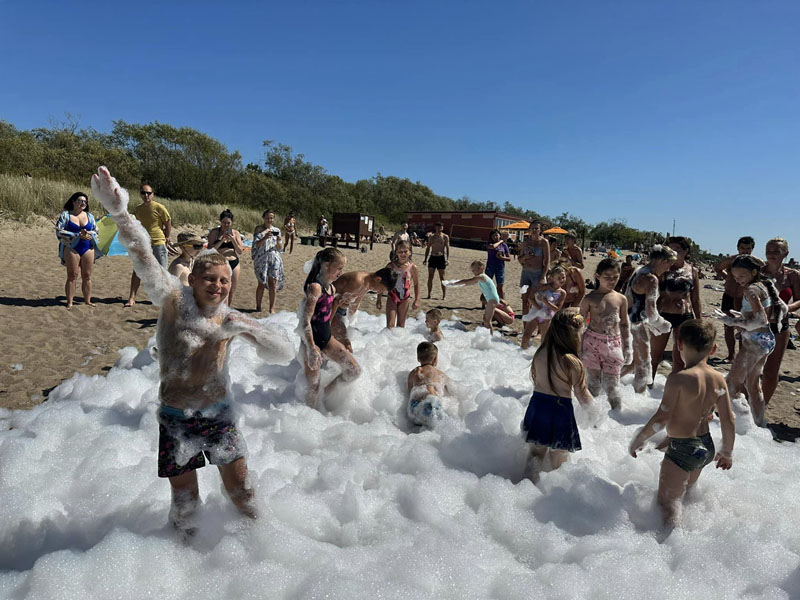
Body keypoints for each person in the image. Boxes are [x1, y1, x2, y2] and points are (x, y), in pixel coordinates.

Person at [90, 166, 294, 536]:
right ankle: (186, 565)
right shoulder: (172, 301)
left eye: (225, 281)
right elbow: (143, 255)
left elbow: (281, 352)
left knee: (243, 492)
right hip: (175, 417)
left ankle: (262, 546)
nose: (218, 286)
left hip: (219, 415)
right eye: (211, 279)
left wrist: (247, 328)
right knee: (185, 502)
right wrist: (119, 211)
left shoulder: (229, 317)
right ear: (195, 279)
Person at [630, 319, 735, 535]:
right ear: (713, 349)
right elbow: (728, 419)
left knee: (667, 503)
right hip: (706, 448)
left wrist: (640, 439)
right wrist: (727, 452)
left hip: (682, 450)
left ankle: (672, 544)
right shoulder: (718, 379)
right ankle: (686, 539)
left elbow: (663, 416)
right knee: (684, 494)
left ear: (679, 346)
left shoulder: (678, 379)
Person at [521, 309, 594, 482]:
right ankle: (555, 492)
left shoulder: (541, 353)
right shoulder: (572, 362)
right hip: (559, 411)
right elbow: (582, 394)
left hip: (538, 407)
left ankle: (525, 485)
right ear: (573, 336)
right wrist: (594, 413)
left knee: (535, 453)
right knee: (559, 457)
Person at [714, 254, 786, 426]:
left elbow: (761, 320)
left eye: (741, 276)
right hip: (766, 339)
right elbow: (767, 313)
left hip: (755, 341)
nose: (738, 280)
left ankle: (722, 422)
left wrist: (731, 321)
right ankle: (759, 423)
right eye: (735, 276)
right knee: (753, 385)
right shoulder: (764, 284)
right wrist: (741, 316)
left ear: (754, 272)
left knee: (731, 383)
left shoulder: (751, 290)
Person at [300, 247, 362, 409]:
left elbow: (328, 316)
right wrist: (312, 347)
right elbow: (305, 321)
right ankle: (308, 415)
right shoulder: (315, 287)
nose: (341, 272)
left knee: (353, 370)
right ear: (327, 265)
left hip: (327, 339)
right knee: (312, 388)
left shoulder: (331, 288)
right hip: (311, 341)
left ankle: (326, 394)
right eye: (339, 268)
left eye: (343, 268)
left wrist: (339, 301)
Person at [579, 258, 633, 410]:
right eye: (607, 277)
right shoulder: (589, 298)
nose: (611, 281)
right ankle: (591, 416)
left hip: (613, 342)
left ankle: (616, 416)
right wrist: (577, 346)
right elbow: (580, 324)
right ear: (597, 276)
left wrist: (627, 347)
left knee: (613, 384)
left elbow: (624, 323)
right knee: (593, 383)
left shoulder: (620, 299)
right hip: (591, 341)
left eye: (615, 277)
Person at [624, 245, 677, 393]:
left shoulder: (639, 270)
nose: (668, 269)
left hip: (625, 320)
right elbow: (652, 313)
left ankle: (610, 386)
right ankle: (637, 399)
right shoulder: (651, 279)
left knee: (633, 362)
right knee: (644, 364)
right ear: (662, 261)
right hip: (635, 324)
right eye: (669, 264)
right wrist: (664, 325)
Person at [650, 236, 702, 378]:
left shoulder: (692, 271)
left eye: (677, 249)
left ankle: (675, 390)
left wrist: (699, 320)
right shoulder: (662, 269)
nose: (673, 252)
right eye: (670, 249)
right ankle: (648, 388)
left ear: (686, 251)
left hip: (684, 316)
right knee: (655, 356)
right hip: (662, 314)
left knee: (679, 358)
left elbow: (696, 298)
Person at [761, 237, 800, 405]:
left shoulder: (793, 275)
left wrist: (787, 308)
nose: (771, 255)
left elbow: (799, 299)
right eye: (768, 251)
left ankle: (762, 406)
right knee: (749, 370)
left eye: (776, 251)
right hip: (757, 326)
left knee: (771, 372)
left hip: (780, 327)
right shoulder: (757, 272)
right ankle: (745, 405)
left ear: (786, 254)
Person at [125, 183, 172, 307]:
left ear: (153, 194)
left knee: (161, 272)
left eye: (148, 193)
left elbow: (167, 222)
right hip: (143, 243)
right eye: (143, 193)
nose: (146, 195)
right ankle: (132, 298)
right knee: (137, 270)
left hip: (158, 242)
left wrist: (167, 236)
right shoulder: (138, 209)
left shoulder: (159, 207)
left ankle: (163, 299)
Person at [330, 268, 397, 351]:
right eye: (381, 289)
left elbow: (355, 303)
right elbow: (335, 302)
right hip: (328, 307)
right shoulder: (358, 281)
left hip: (339, 310)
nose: (379, 292)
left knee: (345, 341)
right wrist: (328, 323)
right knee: (345, 342)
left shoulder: (367, 283)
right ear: (378, 279)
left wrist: (350, 321)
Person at [55, 192, 102, 308]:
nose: (83, 203)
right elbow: (59, 231)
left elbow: (96, 231)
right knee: (72, 275)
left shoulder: (89, 216)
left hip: (87, 247)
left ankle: (88, 300)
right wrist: (76, 235)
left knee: (87, 275)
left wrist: (90, 234)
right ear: (73, 201)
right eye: (80, 201)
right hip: (72, 247)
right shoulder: (66, 215)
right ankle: (69, 302)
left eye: (85, 202)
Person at [714, 236, 755, 362]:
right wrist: (727, 277)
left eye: (748, 248)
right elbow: (718, 267)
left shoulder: (754, 262)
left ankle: (741, 357)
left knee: (743, 328)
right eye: (742, 248)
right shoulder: (732, 260)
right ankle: (731, 355)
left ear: (752, 249)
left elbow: (765, 272)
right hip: (729, 295)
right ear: (738, 248)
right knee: (728, 326)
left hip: (744, 299)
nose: (745, 251)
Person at [407, 342, 452, 429]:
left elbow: (409, 391)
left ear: (418, 358)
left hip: (413, 410)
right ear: (435, 359)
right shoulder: (436, 372)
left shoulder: (412, 373)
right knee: (444, 424)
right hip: (429, 406)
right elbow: (451, 388)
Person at [521, 264, 567, 349]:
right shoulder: (543, 287)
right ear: (552, 278)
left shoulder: (562, 293)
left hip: (548, 317)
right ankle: (522, 354)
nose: (562, 280)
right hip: (535, 313)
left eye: (563, 277)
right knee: (526, 337)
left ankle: (540, 358)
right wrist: (539, 309)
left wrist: (545, 302)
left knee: (544, 341)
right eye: (559, 277)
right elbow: (530, 298)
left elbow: (557, 309)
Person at [377, 241, 419, 328]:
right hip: (392, 297)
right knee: (390, 325)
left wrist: (417, 299)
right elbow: (382, 283)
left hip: (405, 299)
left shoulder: (412, 267)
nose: (403, 254)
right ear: (396, 252)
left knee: (401, 326)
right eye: (400, 252)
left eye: (405, 251)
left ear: (410, 252)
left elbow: (416, 284)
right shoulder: (390, 266)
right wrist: (379, 299)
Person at [450, 260, 500, 333]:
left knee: (487, 321)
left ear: (481, 268)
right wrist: (458, 284)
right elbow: (469, 283)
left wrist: (454, 283)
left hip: (492, 300)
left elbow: (467, 281)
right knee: (486, 320)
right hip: (491, 300)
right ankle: (488, 336)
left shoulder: (481, 277)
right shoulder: (480, 278)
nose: (473, 272)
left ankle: (490, 338)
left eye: (474, 270)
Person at [207, 210, 244, 307]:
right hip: (220, 262)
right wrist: (222, 240)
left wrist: (232, 239)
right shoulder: (215, 232)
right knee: (221, 289)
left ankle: (227, 309)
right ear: (220, 222)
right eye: (224, 223)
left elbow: (240, 251)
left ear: (231, 222)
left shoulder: (235, 233)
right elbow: (210, 249)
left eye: (228, 223)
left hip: (234, 262)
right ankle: (219, 308)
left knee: (231, 290)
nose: (226, 225)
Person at [252, 209, 284, 313]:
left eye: (271, 218)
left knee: (273, 283)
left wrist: (279, 241)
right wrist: (265, 237)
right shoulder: (259, 229)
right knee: (261, 282)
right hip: (262, 258)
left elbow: (280, 248)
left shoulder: (277, 230)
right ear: (263, 218)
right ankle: (258, 306)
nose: (269, 220)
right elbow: (256, 245)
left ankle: (272, 308)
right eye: (267, 217)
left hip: (274, 257)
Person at [517, 220, 550, 315]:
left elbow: (547, 261)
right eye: (532, 228)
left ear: (540, 230)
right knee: (524, 300)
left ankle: (541, 316)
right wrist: (525, 257)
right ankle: (525, 327)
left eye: (536, 228)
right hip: (526, 273)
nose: (534, 230)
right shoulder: (526, 242)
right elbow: (520, 259)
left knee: (533, 299)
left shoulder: (544, 242)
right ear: (529, 230)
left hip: (537, 273)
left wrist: (543, 276)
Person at [423, 222, 450, 300]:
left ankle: (444, 295)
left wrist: (447, 259)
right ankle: (429, 294)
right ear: (435, 228)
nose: (439, 229)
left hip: (441, 258)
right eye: (438, 227)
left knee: (442, 277)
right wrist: (425, 259)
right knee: (430, 277)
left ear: (442, 228)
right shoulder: (431, 237)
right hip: (433, 257)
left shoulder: (445, 237)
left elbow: (447, 248)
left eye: (440, 227)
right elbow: (428, 248)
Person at [485, 229, 511, 299]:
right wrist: (500, 241)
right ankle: (484, 303)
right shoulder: (489, 243)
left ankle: (503, 303)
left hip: (500, 267)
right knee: (487, 285)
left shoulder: (504, 245)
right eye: (493, 236)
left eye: (496, 235)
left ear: (499, 235)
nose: (495, 237)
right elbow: (492, 247)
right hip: (490, 267)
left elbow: (509, 258)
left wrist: (501, 257)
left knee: (500, 286)